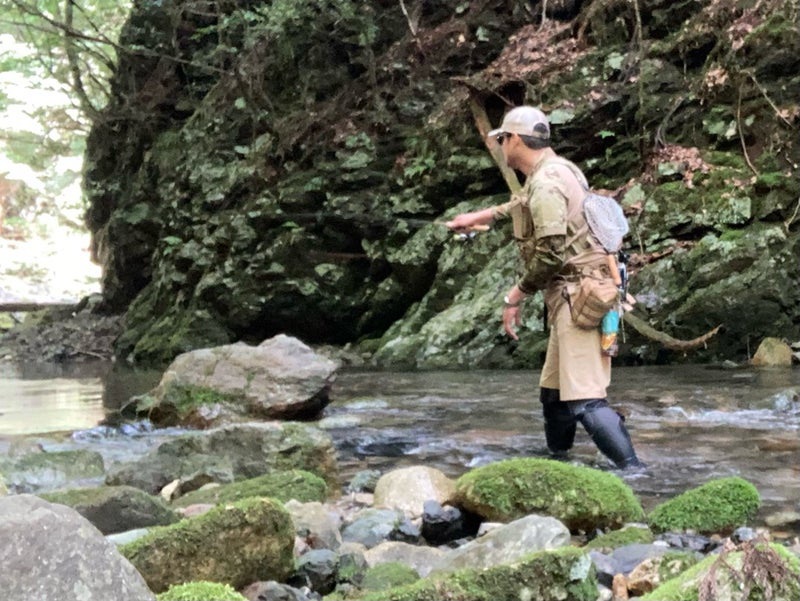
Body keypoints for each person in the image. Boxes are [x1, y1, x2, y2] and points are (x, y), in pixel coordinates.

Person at [446, 106, 643, 469]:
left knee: (584, 400)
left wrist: (514, 296)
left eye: (502, 138)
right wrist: (476, 217)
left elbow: (551, 254)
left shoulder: (547, 182)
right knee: (554, 396)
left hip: (579, 298)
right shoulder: (557, 170)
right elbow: (520, 204)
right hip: (572, 294)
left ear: (515, 139)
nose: (502, 146)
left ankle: (637, 473)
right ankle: (559, 463)